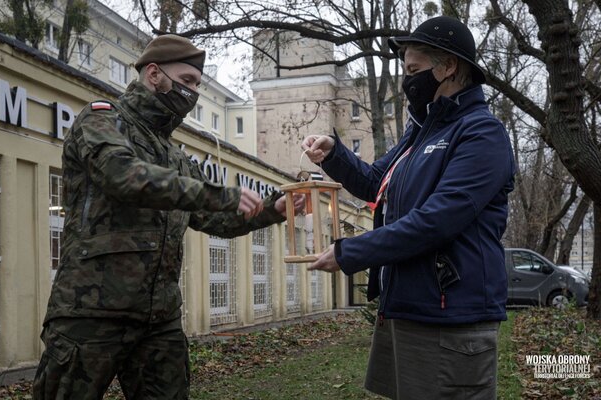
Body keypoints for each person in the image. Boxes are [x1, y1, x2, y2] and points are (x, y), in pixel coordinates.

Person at [33, 34, 304, 400]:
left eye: (196, 84)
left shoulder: (174, 156)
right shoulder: (102, 121)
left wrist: (273, 209)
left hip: (158, 321)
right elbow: (124, 178)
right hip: (91, 313)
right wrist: (221, 194)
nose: (192, 93)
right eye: (187, 81)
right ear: (155, 74)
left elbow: (215, 220)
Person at [303, 16, 515, 400]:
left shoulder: (481, 133)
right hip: (407, 308)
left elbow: (437, 220)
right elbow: (374, 184)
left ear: (448, 67)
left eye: (413, 70)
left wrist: (352, 252)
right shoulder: (419, 132)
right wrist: (334, 156)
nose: (406, 81)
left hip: (449, 318)